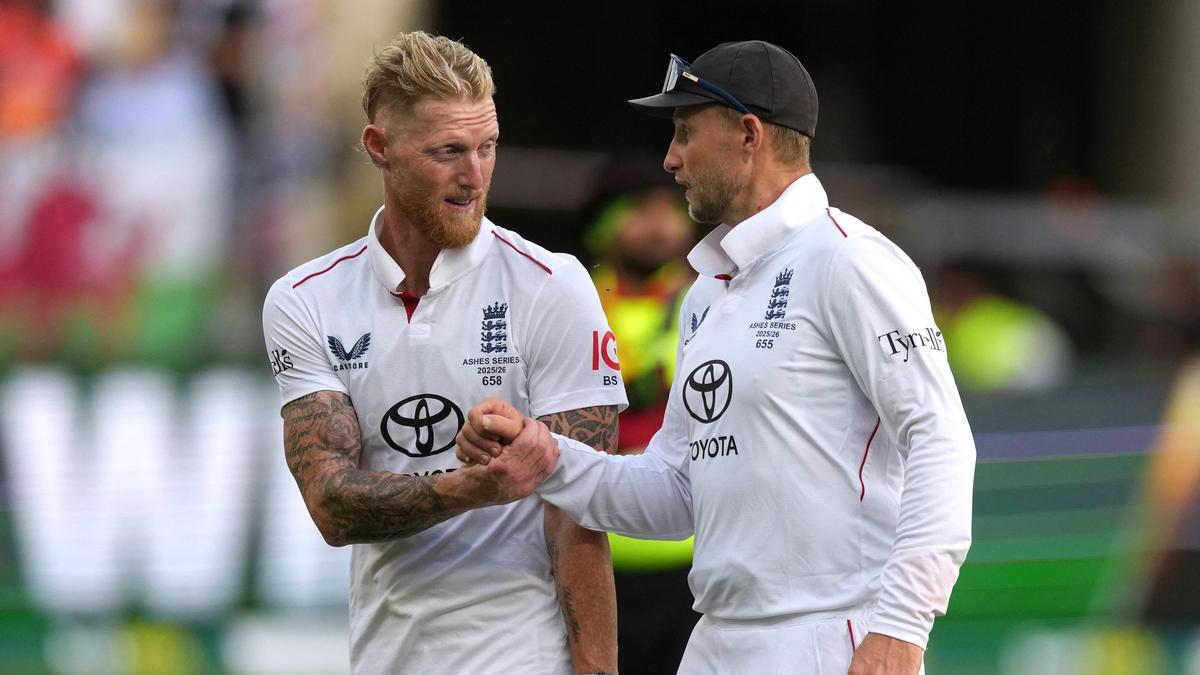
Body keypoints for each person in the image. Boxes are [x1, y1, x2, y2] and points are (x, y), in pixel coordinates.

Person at [458, 40, 976, 675]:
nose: (670, 159)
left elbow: (940, 440)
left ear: (748, 135)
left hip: (832, 637)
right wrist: (544, 456)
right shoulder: (706, 291)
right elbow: (676, 490)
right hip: (716, 640)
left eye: (685, 132)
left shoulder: (850, 259)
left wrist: (902, 625)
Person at [261, 31, 625, 675]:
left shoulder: (553, 285)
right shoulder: (304, 299)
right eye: (448, 151)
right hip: (387, 655)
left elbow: (580, 515)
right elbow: (331, 506)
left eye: (488, 147)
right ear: (380, 147)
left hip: (523, 656)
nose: (475, 176)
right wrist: (474, 487)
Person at [583, 161, 701, 673]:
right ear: (603, 224)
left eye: (669, 210)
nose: (659, 225)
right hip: (593, 555)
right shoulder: (573, 302)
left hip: (695, 558)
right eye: (640, 211)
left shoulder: (712, 299)